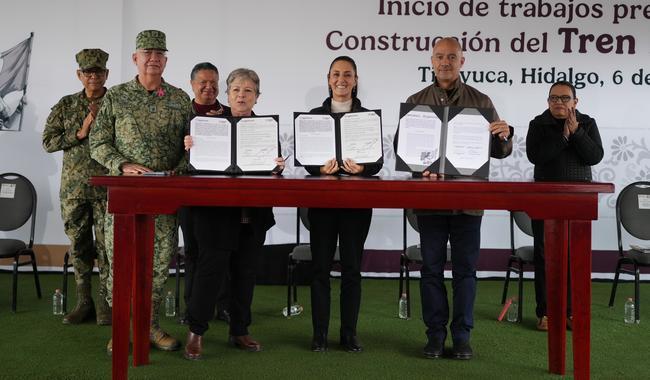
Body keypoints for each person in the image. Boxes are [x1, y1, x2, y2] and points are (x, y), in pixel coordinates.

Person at [405, 37, 513, 360]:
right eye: (439, 56)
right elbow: (406, 151)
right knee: (431, 271)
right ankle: (435, 336)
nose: (445, 62)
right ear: (431, 61)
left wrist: (505, 135)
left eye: (452, 57)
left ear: (462, 61)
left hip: (469, 203)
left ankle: (462, 337)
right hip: (431, 204)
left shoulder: (481, 101)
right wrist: (417, 167)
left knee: (466, 272)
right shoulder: (416, 101)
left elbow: (500, 149)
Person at [89, 30, 192, 354]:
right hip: (125, 196)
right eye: (147, 52)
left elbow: (193, 146)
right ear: (135, 58)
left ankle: (149, 326)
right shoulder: (117, 96)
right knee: (121, 265)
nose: (153, 58)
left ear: (165, 60)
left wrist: (182, 165)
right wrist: (122, 164)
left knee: (159, 264)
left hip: (163, 198)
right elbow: (98, 142)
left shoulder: (179, 99)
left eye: (159, 53)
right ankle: (123, 327)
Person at [182, 68, 285, 360]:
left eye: (248, 91)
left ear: (257, 97)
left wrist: (277, 166)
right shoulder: (209, 125)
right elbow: (195, 166)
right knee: (209, 273)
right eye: (237, 90)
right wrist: (191, 146)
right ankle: (196, 332)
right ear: (227, 95)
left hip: (252, 216)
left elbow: (271, 170)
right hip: (215, 215)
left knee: (245, 273)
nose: (242, 95)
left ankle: (240, 330)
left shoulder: (266, 128)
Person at [304, 56, 382, 353]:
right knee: (320, 270)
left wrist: (362, 170)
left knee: (352, 270)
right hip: (322, 204)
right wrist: (318, 169)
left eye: (347, 75)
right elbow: (308, 161)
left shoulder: (368, 117)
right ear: (328, 79)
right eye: (336, 74)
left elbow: (376, 162)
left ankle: (349, 334)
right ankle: (319, 335)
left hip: (356, 204)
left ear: (356, 79)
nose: (341, 79)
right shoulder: (313, 116)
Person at [525, 80, 603, 331]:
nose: (559, 102)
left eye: (564, 98)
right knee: (545, 255)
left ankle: (571, 313)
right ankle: (546, 313)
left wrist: (577, 132)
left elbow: (595, 156)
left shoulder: (588, 123)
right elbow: (536, 156)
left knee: (574, 256)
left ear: (575, 102)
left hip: (578, 198)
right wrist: (564, 137)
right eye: (554, 98)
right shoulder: (538, 124)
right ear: (548, 102)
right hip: (546, 196)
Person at [42, 48, 112, 325]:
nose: (93, 76)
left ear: (106, 74)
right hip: (74, 190)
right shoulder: (66, 104)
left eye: (98, 72)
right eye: (88, 72)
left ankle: (107, 304)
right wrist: (80, 132)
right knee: (80, 247)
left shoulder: (116, 102)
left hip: (108, 188)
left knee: (108, 249)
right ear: (79, 75)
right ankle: (84, 302)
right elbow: (48, 142)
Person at [178, 62, 231, 325]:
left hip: (223, 195)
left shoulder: (230, 114)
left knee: (220, 251)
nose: (209, 87)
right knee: (193, 252)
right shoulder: (180, 115)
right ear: (192, 84)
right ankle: (193, 309)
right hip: (189, 193)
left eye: (214, 83)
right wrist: (183, 146)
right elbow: (170, 152)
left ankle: (223, 305)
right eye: (203, 82)